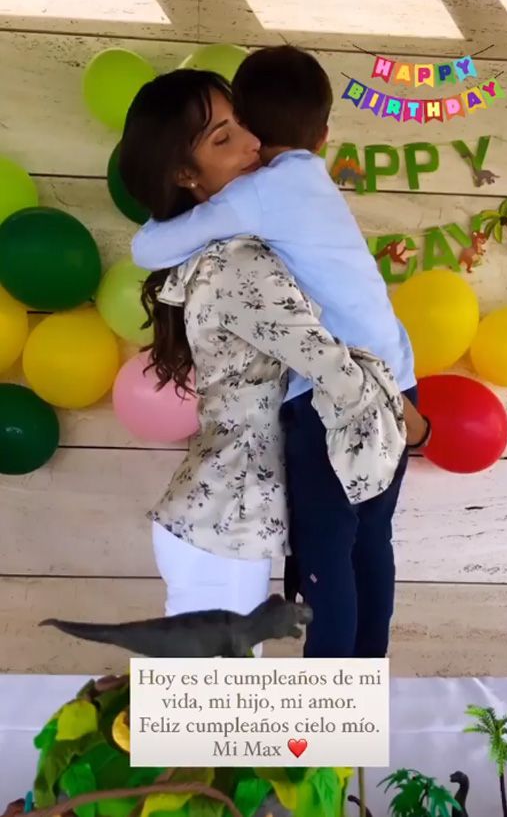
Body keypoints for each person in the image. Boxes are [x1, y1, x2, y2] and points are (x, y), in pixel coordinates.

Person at [129, 46, 429, 657]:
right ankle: (357, 691)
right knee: (367, 548)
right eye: (226, 135)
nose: (249, 144)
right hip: (385, 383)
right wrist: (405, 410)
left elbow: (147, 248)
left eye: (245, 126)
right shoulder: (278, 210)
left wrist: (399, 415)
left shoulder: (253, 208)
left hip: (341, 401)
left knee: (326, 560)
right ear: (323, 134)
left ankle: (332, 698)